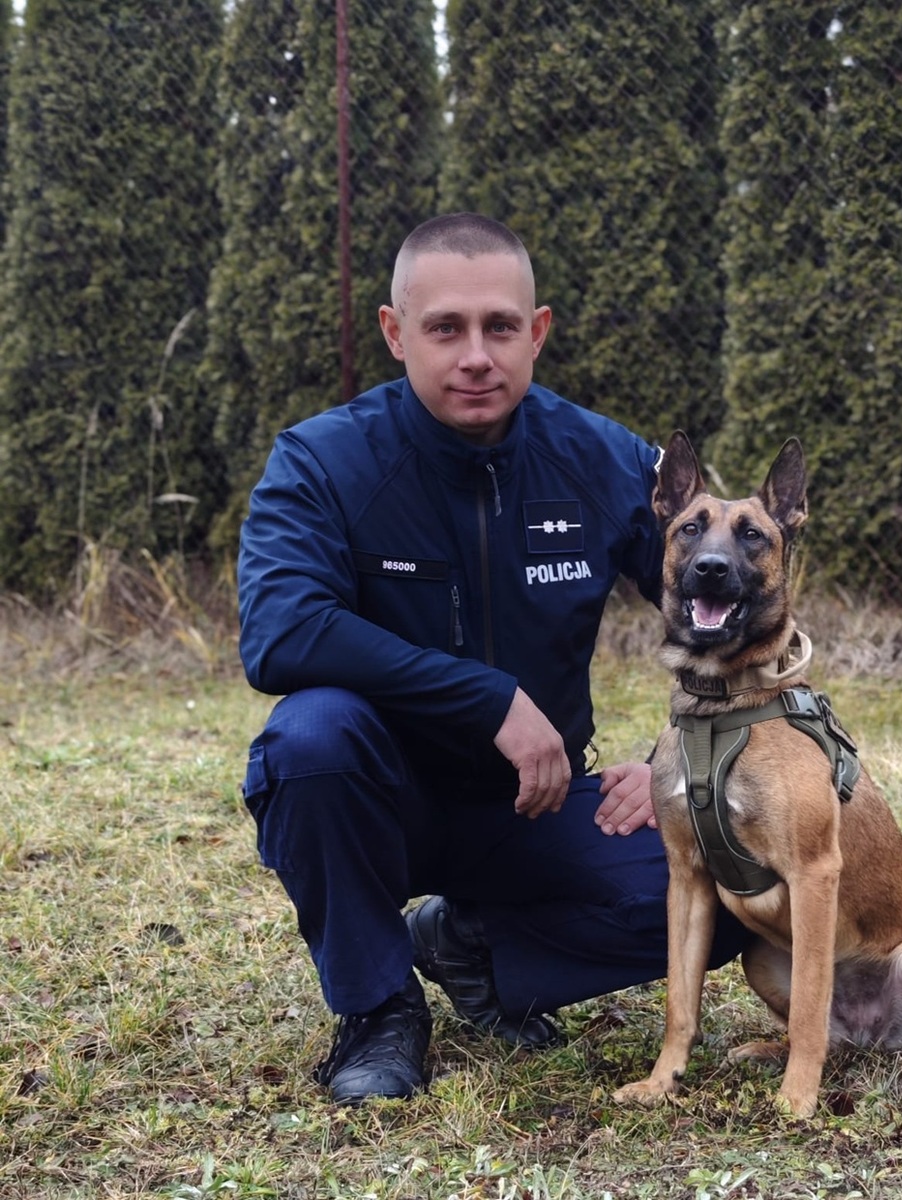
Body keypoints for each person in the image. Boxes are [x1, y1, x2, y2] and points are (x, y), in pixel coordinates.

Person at [236, 212, 745, 1105]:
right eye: (445, 328)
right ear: (396, 332)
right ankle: (379, 1009)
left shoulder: (602, 459)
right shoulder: (321, 461)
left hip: (536, 804)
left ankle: (470, 947)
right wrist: (489, 700)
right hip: (378, 800)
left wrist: (678, 753)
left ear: (536, 332)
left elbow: (733, 595)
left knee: (735, 873)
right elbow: (280, 631)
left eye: (500, 327)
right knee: (308, 739)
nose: (476, 356)